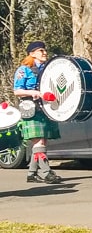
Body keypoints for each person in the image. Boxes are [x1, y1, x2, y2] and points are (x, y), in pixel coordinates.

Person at [13, 41, 62, 184]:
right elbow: (17, 91)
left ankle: (32, 174)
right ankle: (46, 173)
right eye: (41, 50)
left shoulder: (47, 70)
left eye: (44, 50)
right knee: (39, 141)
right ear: (32, 54)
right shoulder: (24, 70)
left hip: (45, 108)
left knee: (42, 142)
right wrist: (33, 92)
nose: (45, 52)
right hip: (30, 108)